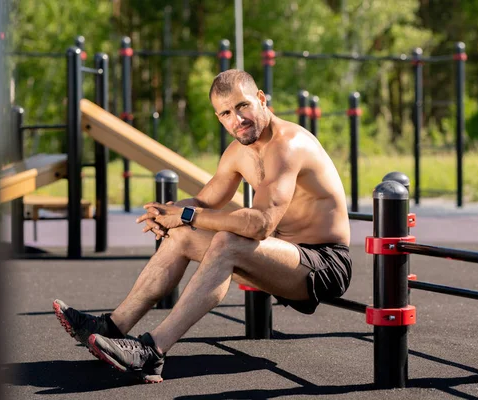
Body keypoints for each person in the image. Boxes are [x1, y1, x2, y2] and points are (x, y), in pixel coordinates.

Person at [53, 69, 352, 383]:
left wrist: (185, 216)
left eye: (243, 106)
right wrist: (168, 212)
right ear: (218, 117)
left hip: (323, 264)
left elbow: (261, 224)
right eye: (226, 113)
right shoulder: (238, 152)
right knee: (183, 236)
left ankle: (152, 352)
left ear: (261, 99)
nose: (237, 119)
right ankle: (111, 327)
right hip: (281, 259)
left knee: (226, 242)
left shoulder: (288, 145)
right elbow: (205, 202)